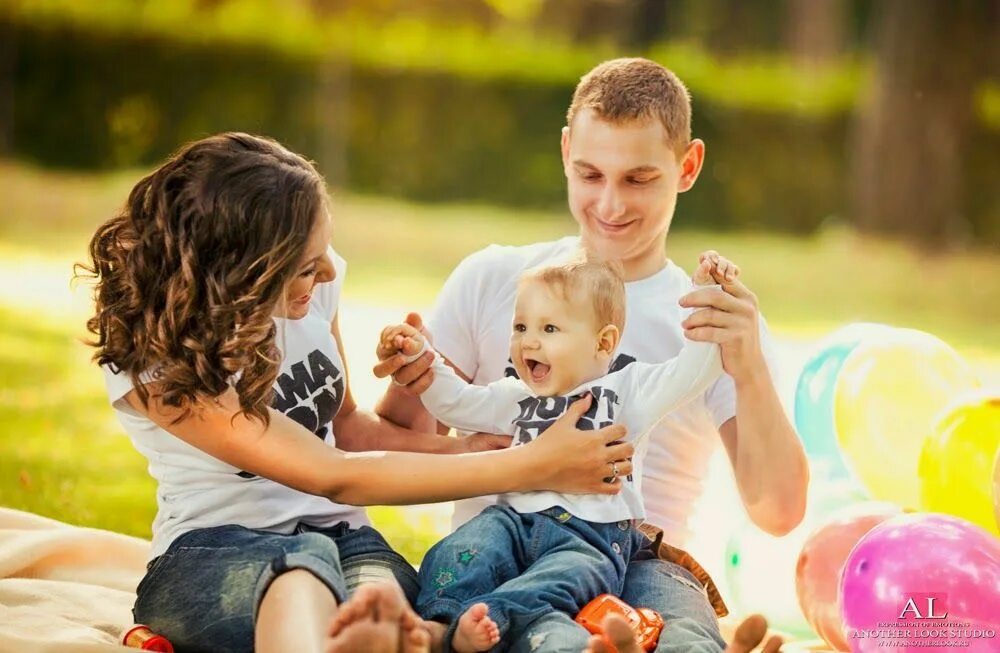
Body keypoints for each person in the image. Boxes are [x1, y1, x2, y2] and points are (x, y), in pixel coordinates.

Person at [79, 132, 636, 653]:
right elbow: (335, 474)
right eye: (303, 267)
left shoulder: (315, 289)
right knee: (302, 571)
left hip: (347, 539)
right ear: (241, 273)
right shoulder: (159, 360)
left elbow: (345, 428)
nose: (327, 273)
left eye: (326, 250)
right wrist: (532, 465)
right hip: (212, 554)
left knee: (396, 606)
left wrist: (471, 449)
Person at [371, 58, 808, 653]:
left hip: (641, 559)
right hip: (503, 551)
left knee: (679, 617)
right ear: (565, 151)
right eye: (590, 173)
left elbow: (778, 510)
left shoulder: (709, 320)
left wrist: (747, 364)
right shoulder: (494, 278)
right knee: (494, 605)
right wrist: (442, 410)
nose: (609, 204)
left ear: (688, 167)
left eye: (638, 179)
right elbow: (389, 442)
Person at [377, 252, 729, 651]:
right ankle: (444, 621)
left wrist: (708, 292)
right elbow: (456, 401)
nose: (529, 340)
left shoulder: (629, 391)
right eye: (521, 326)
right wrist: (422, 358)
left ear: (603, 342)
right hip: (511, 522)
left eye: (549, 328)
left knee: (560, 579)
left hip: (590, 536)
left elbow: (695, 370)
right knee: (462, 548)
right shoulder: (516, 395)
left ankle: (493, 617)